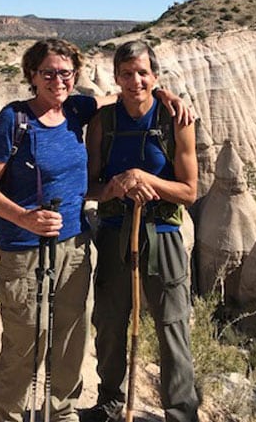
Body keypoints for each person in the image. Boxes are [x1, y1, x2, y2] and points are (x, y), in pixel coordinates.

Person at [0, 39, 191, 422]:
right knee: (32, 340)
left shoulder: (83, 109)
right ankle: (17, 415)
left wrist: (162, 93)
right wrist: (24, 217)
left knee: (73, 339)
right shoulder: (20, 119)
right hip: (35, 245)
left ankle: (63, 414)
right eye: (48, 73)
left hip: (85, 243)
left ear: (75, 77)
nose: (57, 80)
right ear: (32, 75)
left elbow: (188, 189)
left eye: (65, 73)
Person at [84, 40, 199, 422]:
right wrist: (115, 186)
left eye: (143, 73)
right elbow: (90, 186)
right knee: (110, 323)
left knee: (172, 327)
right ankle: (110, 404)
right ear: (116, 77)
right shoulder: (103, 123)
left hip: (162, 234)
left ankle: (181, 413)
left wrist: (145, 178)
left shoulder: (175, 120)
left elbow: (189, 190)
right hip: (116, 232)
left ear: (155, 76)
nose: (136, 81)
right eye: (127, 74)